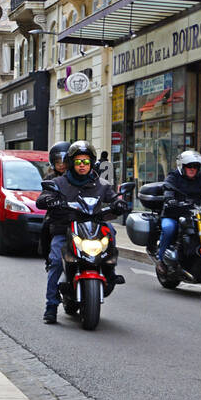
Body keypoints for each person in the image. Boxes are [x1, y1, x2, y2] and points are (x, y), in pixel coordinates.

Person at [36, 139, 126, 324]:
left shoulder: (100, 183)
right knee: (55, 261)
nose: (82, 165)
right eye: (78, 162)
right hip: (66, 228)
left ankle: (110, 272)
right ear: (71, 163)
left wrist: (119, 202)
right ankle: (51, 306)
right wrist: (49, 200)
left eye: (86, 161)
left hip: (93, 228)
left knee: (111, 231)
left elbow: (113, 196)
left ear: (91, 163)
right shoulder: (59, 182)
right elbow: (42, 198)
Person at [38, 142, 71, 261]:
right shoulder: (50, 178)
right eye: (58, 162)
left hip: (79, 212)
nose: (61, 165)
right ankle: (48, 258)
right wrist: (50, 200)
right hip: (58, 214)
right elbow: (45, 194)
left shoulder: (79, 174)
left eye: (64, 162)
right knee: (46, 226)